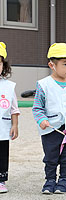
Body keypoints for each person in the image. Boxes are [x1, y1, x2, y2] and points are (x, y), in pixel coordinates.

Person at [32, 43, 66, 194]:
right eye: (65, 64)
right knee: (51, 157)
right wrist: (41, 120)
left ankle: (64, 180)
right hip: (51, 129)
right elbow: (37, 107)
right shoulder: (44, 85)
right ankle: (50, 180)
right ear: (52, 65)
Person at [0, 42, 20, 193]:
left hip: (3, 127)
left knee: (2, 153)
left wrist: (15, 125)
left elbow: (14, 108)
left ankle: (1, 180)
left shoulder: (9, 86)